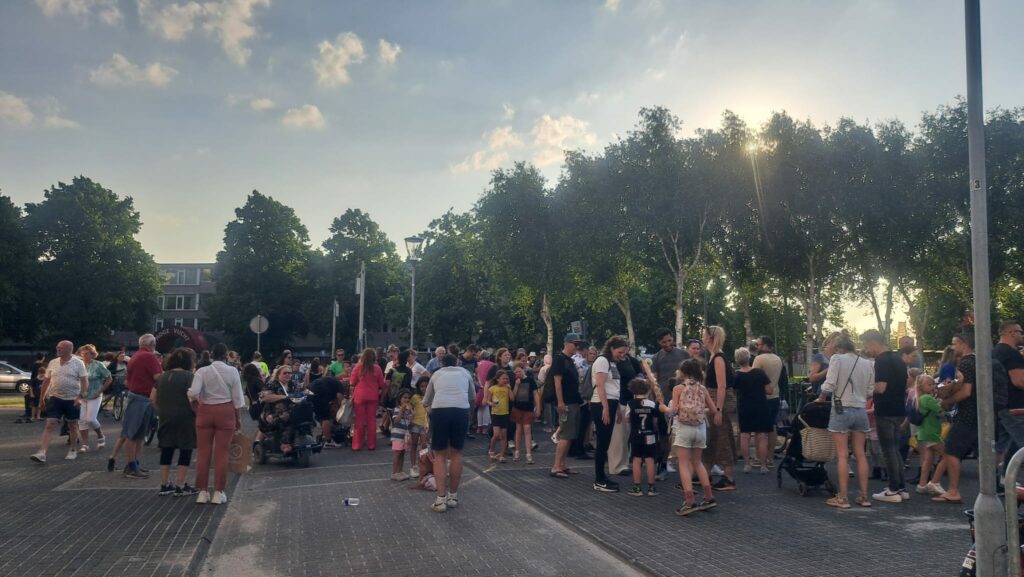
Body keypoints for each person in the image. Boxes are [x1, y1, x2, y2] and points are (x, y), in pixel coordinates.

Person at [817, 334, 875, 509]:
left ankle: (842, 497)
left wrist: (821, 396)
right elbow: (870, 391)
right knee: (860, 454)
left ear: (838, 348)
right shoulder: (867, 363)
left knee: (842, 455)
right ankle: (864, 496)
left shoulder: (837, 359)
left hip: (841, 408)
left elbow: (829, 385)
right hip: (861, 410)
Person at [189, 343, 245, 505]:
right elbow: (237, 399)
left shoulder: (202, 371)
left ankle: (202, 492)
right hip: (225, 411)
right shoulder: (232, 371)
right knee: (222, 453)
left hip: (205, 411)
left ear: (212, 355)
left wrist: (196, 407)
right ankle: (218, 492)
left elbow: (193, 393)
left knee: (203, 453)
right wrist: (238, 419)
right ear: (226, 355)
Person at [860, 329, 909, 503]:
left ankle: (893, 489)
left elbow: (880, 388)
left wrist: (866, 388)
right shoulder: (898, 359)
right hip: (898, 409)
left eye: (866, 346)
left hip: (885, 409)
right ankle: (901, 488)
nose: (866, 350)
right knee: (895, 449)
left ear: (873, 343)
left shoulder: (881, 361)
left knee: (888, 451)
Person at [423, 354, 475, 513]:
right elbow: (472, 397)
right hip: (461, 411)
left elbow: (426, 401)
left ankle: (440, 500)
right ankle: (453, 496)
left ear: (441, 363)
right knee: (456, 453)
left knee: (440, 455)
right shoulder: (465, 373)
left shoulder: (436, 374)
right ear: (457, 362)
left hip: (440, 411)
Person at [931, 333, 978, 504]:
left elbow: (965, 392)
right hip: (979, 413)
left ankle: (953, 491)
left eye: (954, 344)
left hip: (967, 414)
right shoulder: (977, 361)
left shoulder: (965, 363)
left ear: (963, 344)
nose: (952, 347)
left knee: (951, 451)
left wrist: (946, 401)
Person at [110, 334, 162, 478]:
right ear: (152, 344)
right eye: (154, 344)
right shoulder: (149, 357)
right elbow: (158, 377)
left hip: (135, 396)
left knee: (137, 434)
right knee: (134, 435)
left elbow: (127, 380)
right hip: (142, 398)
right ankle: (132, 466)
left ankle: (134, 464)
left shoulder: (135, 357)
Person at [672, 359, 719, 515]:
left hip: (684, 428)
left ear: (683, 372)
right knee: (698, 463)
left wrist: (666, 408)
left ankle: (690, 501)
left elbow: (674, 411)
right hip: (700, 428)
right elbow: (713, 409)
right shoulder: (702, 389)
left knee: (684, 464)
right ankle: (709, 497)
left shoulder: (678, 388)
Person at [30, 340, 88, 463]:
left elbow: (84, 381)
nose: (57, 349)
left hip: (72, 399)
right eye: (57, 347)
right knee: (50, 424)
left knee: (72, 425)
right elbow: (46, 381)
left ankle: (73, 449)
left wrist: (80, 397)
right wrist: (41, 399)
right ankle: (42, 452)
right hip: (55, 397)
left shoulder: (78, 363)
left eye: (60, 348)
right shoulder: (53, 362)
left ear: (69, 350)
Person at [152, 347, 198, 497]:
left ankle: (165, 484)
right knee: (185, 449)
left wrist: (162, 410)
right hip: (185, 417)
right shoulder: (189, 376)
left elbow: (152, 398)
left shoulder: (162, 377)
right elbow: (193, 397)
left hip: (165, 416)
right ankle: (180, 484)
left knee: (166, 449)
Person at [591, 336, 628, 493]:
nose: (622, 355)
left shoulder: (612, 362)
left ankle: (602, 477)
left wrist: (617, 408)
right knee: (602, 442)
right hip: (601, 403)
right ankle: (599, 479)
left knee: (605, 442)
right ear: (612, 349)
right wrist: (605, 407)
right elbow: (600, 385)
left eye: (624, 352)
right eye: (620, 352)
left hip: (610, 403)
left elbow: (614, 388)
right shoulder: (602, 361)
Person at [702, 326, 737, 491]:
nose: (702, 338)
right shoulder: (714, 356)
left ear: (710, 338)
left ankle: (728, 478)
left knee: (722, 438)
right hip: (714, 400)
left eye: (704, 336)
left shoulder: (718, 358)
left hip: (718, 400)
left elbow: (721, 386)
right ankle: (705, 474)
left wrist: (718, 410)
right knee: (713, 438)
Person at [626, 378, 668, 497]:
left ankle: (637, 487)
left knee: (636, 460)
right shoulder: (652, 404)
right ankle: (651, 487)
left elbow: (627, 419)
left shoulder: (630, 404)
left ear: (632, 390)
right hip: (650, 435)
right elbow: (655, 420)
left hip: (636, 434)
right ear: (648, 390)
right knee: (650, 460)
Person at [733, 348, 771, 474]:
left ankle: (747, 465)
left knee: (745, 436)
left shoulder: (736, 375)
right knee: (762, 436)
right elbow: (769, 390)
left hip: (744, 407)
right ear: (749, 358)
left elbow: (734, 391)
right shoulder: (759, 372)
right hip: (760, 406)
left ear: (737, 360)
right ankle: (763, 465)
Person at [549, 334, 582, 479]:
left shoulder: (569, 360)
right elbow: (557, 382)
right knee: (565, 434)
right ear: (567, 343)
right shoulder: (559, 359)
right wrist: (560, 402)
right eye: (575, 344)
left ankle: (562, 464)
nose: (577, 347)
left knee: (570, 435)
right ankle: (556, 466)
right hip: (567, 402)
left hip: (573, 401)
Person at [752, 335, 783, 467]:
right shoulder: (778, 359)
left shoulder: (759, 359)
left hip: (761, 397)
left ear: (764, 345)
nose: (757, 347)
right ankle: (770, 457)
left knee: (760, 429)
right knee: (772, 427)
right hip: (775, 396)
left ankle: (760, 458)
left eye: (758, 344)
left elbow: (753, 377)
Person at [995, 321, 1024, 459]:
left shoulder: (996, 352)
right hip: (1015, 407)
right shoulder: (1011, 353)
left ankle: (995, 471)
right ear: (1011, 333)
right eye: (1020, 332)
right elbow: (1019, 381)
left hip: (1001, 405)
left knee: (1004, 446)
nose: (1022, 335)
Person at [913, 373, 945, 496]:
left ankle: (922, 484)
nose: (933, 387)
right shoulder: (928, 398)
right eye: (929, 384)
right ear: (921, 386)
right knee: (947, 455)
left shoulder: (921, 398)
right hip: (932, 432)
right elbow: (941, 410)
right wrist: (941, 400)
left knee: (928, 459)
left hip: (924, 432)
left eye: (933, 384)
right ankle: (934, 483)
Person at [350, 348, 386, 451]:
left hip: (359, 396)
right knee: (372, 420)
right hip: (373, 396)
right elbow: (381, 384)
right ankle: (371, 444)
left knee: (359, 420)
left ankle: (357, 445)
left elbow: (352, 382)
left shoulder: (358, 367)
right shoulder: (377, 368)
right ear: (374, 357)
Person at [77, 344, 111, 452]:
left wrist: (100, 391)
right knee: (82, 420)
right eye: (82, 353)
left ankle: (100, 436)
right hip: (81, 395)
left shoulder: (98, 365)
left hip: (94, 395)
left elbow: (109, 378)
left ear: (92, 354)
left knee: (90, 419)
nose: (84, 355)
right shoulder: (79, 365)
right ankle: (85, 444)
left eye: (87, 353)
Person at [510, 363, 540, 464]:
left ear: (523, 370)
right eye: (516, 372)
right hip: (517, 408)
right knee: (518, 429)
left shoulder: (530, 380)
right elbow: (513, 396)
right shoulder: (514, 381)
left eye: (519, 371)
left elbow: (535, 394)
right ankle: (517, 451)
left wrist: (538, 407)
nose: (518, 373)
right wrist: (516, 385)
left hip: (528, 408)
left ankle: (528, 454)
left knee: (527, 429)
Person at [308, 372, 344, 448]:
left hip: (310, 389)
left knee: (320, 415)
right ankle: (328, 441)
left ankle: (324, 434)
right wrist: (340, 409)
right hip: (320, 390)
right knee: (326, 417)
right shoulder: (340, 386)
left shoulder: (331, 381)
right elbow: (340, 398)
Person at [486, 370, 512, 462]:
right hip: (496, 414)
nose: (505, 380)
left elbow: (512, 398)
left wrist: (510, 389)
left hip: (504, 413)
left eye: (506, 379)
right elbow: (488, 400)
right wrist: (491, 404)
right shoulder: (492, 388)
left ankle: (501, 455)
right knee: (496, 435)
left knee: (504, 436)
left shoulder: (507, 388)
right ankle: (491, 450)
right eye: (503, 379)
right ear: (497, 379)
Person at [390, 390, 413, 481]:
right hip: (397, 435)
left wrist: (411, 416)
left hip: (405, 435)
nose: (407, 400)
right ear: (400, 399)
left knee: (402, 453)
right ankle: (394, 472)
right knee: (397, 453)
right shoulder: (397, 409)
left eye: (408, 398)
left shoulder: (408, 411)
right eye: (404, 397)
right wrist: (401, 411)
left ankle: (400, 471)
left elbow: (410, 423)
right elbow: (396, 420)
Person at [409, 376, 429, 475]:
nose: (424, 388)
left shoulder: (431, 397)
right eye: (422, 386)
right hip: (415, 424)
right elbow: (409, 407)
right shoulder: (415, 397)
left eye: (426, 386)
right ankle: (413, 466)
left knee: (424, 446)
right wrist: (411, 417)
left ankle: (423, 465)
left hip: (426, 425)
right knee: (413, 445)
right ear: (418, 387)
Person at [18, 353, 46, 423]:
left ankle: (29, 413)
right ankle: (38, 415)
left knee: (29, 399)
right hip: (41, 384)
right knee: (39, 401)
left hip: (34, 384)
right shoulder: (44, 365)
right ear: (43, 357)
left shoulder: (33, 365)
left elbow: (32, 375)